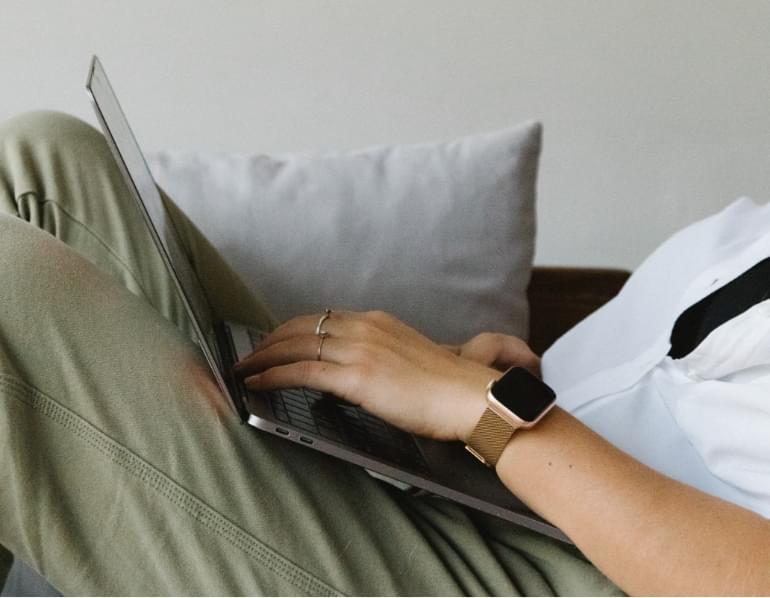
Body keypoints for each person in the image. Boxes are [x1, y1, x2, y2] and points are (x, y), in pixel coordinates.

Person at [0, 111, 767, 596]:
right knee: (47, 162)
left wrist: (489, 414)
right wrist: (507, 385)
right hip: (522, 494)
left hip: (589, 571)